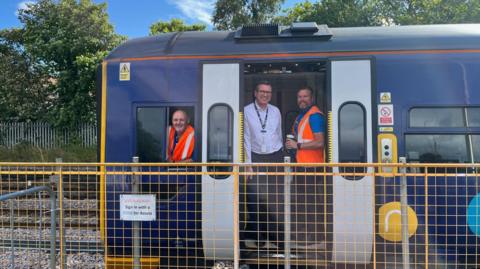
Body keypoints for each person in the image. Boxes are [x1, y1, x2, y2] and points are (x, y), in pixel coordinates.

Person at [242, 81, 284, 250]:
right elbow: (245, 139)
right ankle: (259, 237)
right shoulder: (246, 111)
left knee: (273, 200)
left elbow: (278, 134)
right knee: (254, 200)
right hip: (256, 159)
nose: (265, 95)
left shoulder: (276, 111)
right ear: (255, 93)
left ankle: (274, 237)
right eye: (262, 92)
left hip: (274, 158)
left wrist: (280, 162)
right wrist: (248, 164)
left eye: (268, 92)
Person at [285, 86, 326, 250]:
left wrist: (298, 145)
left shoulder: (314, 116)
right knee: (304, 202)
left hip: (312, 166)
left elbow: (320, 141)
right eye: (299, 96)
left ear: (312, 98)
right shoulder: (303, 116)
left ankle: (315, 236)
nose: (302, 99)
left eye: (305, 96)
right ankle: (308, 234)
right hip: (303, 165)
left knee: (310, 203)